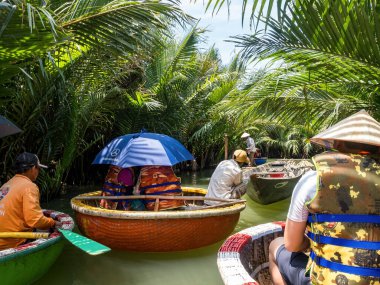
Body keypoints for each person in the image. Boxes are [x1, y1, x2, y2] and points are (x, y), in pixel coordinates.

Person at [268, 109, 380, 285]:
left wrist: (310, 244)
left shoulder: (313, 179)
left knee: (276, 245)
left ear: (338, 145)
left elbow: (292, 244)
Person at [0, 152, 57, 250]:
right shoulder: (29, 187)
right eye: (38, 168)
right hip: (13, 242)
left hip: (2, 239)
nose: (38, 172)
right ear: (33, 168)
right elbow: (35, 220)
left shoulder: (6, 185)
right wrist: (53, 223)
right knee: (41, 228)